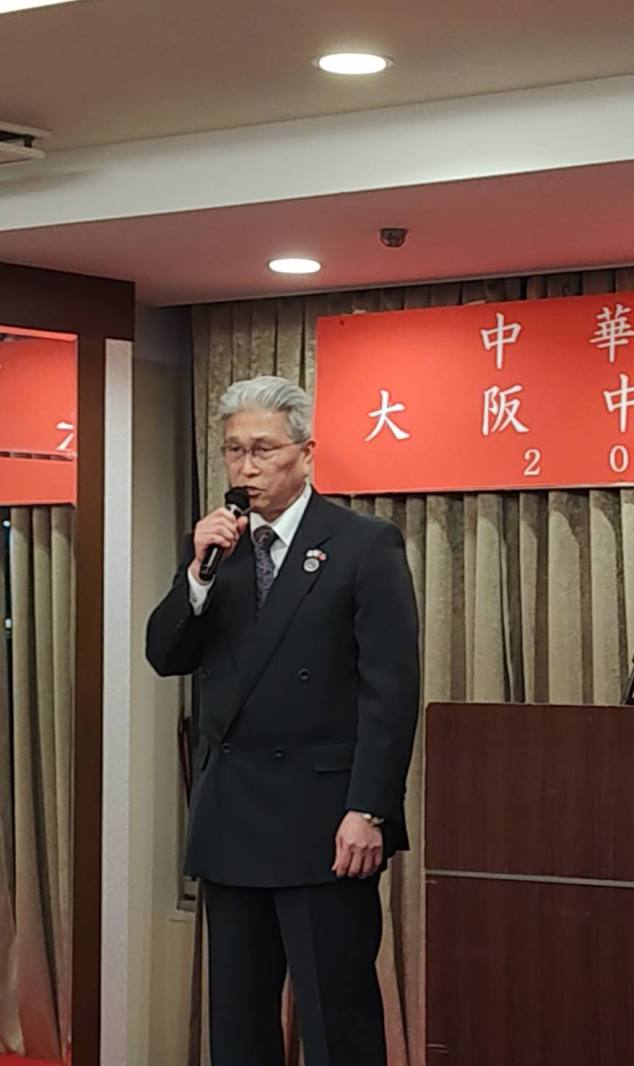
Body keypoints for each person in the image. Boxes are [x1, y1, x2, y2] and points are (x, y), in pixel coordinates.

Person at [146, 375, 420, 1066]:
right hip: (233, 816)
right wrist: (197, 576)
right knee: (238, 1023)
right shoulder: (220, 550)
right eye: (234, 450)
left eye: (263, 449)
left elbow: (390, 692)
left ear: (305, 452)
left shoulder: (363, 545)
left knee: (336, 1019)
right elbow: (164, 654)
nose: (246, 467)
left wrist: (370, 809)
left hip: (326, 821)